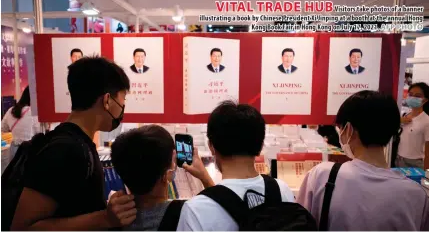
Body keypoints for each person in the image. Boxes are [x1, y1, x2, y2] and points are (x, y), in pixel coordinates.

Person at [11, 56, 137, 230]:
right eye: (123, 100)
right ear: (107, 100)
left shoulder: (78, 143)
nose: (123, 107)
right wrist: (104, 219)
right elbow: (22, 228)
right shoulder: (65, 150)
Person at [297, 90, 429, 231]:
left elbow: (299, 223)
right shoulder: (417, 195)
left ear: (348, 129)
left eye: (340, 128)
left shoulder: (322, 176)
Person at [177, 100, 295, 231]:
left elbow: (225, 199)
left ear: (211, 146)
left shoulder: (196, 210)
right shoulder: (282, 191)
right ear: (261, 145)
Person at [110, 125, 215, 231]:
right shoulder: (186, 213)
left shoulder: (113, 219)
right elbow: (220, 212)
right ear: (166, 175)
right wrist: (205, 177)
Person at [1, 86, 41, 159]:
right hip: (30, 151)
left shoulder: (11, 110)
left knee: (15, 169)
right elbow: (40, 132)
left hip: (15, 151)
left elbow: (3, 128)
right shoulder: (34, 112)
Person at [396, 82, 429, 169]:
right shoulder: (403, 115)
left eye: (418, 96)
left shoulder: (426, 120)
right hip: (399, 159)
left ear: (425, 100)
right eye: (410, 94)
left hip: (415, 163)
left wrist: (426, 171)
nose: (413, 97)